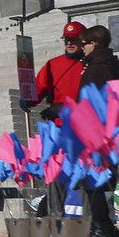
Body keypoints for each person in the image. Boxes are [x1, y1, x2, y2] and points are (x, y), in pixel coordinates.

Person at [22, 22, 85, 214]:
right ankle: (55, 216)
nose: (69, 44)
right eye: (67, 40)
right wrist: (28, 99)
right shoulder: (53, 64)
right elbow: (39, 88)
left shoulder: (89, 64)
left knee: (84, 175)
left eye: (73, 40)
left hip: (83, 130)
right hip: (58, 130)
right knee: (56, 174)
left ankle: (89, 220)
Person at [78, 24, 119, 237]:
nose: (82, 48)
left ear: (93, 44)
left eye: (84, 43)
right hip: (112, 132)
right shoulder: (112, 64)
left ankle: (101, 228)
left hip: (96, 132)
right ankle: (107, 228)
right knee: (105, 180)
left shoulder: (95, 70)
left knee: (93, 181)